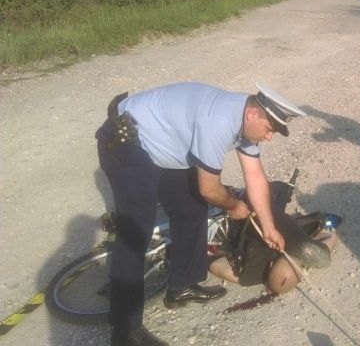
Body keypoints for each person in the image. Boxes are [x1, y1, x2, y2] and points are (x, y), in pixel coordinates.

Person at [96, 81, 306, 346]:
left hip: (163, 148)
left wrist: (269, 227)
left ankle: (182, 286)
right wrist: (234, 205)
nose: (269, 137)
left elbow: (255, 177)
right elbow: (210, 189)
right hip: (128, 143)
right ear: (253, 114)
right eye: (269, 128)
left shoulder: (243, 120)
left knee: (191, 207)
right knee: (135, 233)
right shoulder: (218, 121)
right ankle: (124, 333)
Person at [208, 181, 339, 293]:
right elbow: (215, 264)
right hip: (236, 217)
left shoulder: (257, 269)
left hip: (239, 212)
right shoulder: (252, 275)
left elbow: (330, 239)